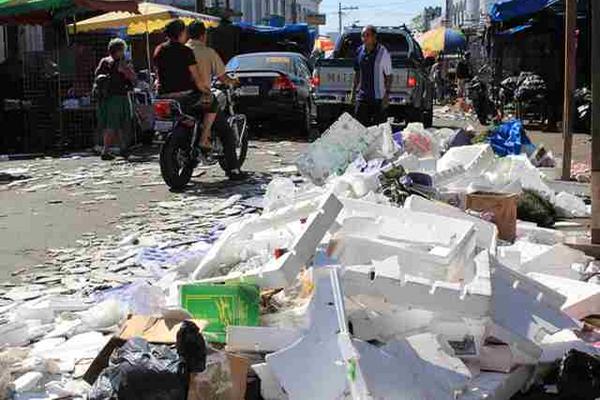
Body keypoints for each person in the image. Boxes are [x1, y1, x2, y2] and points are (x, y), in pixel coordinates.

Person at [153, 19, 246, 180]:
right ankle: (230, 166)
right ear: (203, 35)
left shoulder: (159, 50)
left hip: (163, 95)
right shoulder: (195, 52)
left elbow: (158, 75)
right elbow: (200, 78)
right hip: (188, 96)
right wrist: (206, 90)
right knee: (224, 128)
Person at [186, 20, 238, 151]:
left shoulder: (182, 50)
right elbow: (223, 77)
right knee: (226, 132)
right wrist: (233, 81)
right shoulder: (208, 52)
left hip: (181, 96)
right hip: (200, 96)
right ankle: (233, 168)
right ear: (203, 35)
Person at [94, 38, 136, 160]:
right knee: (117, 123)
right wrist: (126, 71)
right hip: (118, 96)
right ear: (119, 51)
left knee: (113, 124)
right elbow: (133, 78)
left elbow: (97, 76)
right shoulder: (120, 63)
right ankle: (107, 150)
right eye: (123, 50)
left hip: (107, 97)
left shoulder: (104, 61)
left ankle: (121, 148)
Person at [350, 25, 393, 127]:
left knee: (378, 129)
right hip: (362, 97)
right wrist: (353, 92)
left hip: (378, 98)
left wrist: (386, 95)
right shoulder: (359, 51)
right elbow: (357, 72)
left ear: (374, 37)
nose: (364, 38)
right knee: (361, 127)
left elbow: (389, 76)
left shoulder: (383, 53)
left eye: (367, 35)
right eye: (363, 35)